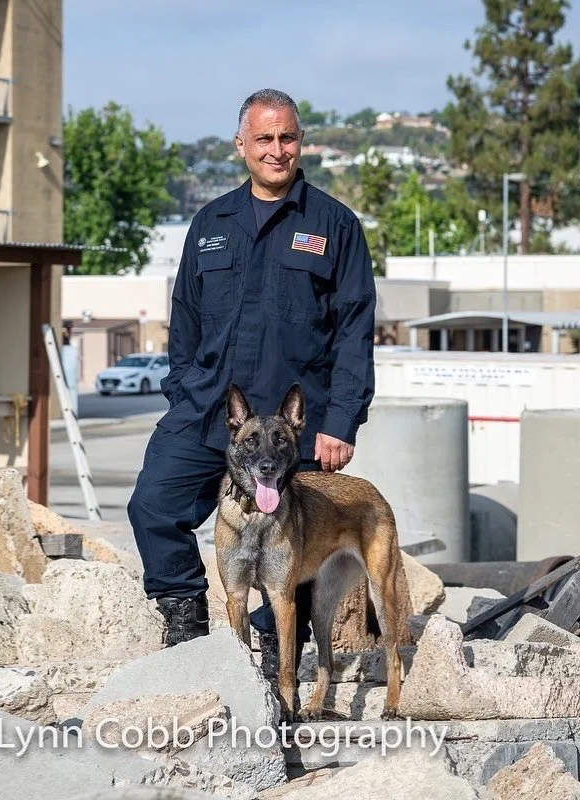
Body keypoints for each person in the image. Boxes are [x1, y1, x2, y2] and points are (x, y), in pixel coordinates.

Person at [127, 88, 376, 677]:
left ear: (301, 143)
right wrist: (183, 389)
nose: (276, 149)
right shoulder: (211, 222)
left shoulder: (334, 224)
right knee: (153, 506)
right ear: (241, 145)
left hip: (291, 427)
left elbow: (354, 331)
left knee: (296, 542)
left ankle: (271, 648)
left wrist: (339, 423)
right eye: (263, 138)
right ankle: (187, 626)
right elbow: (184, 318)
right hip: (208, 411)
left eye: (286, 137)